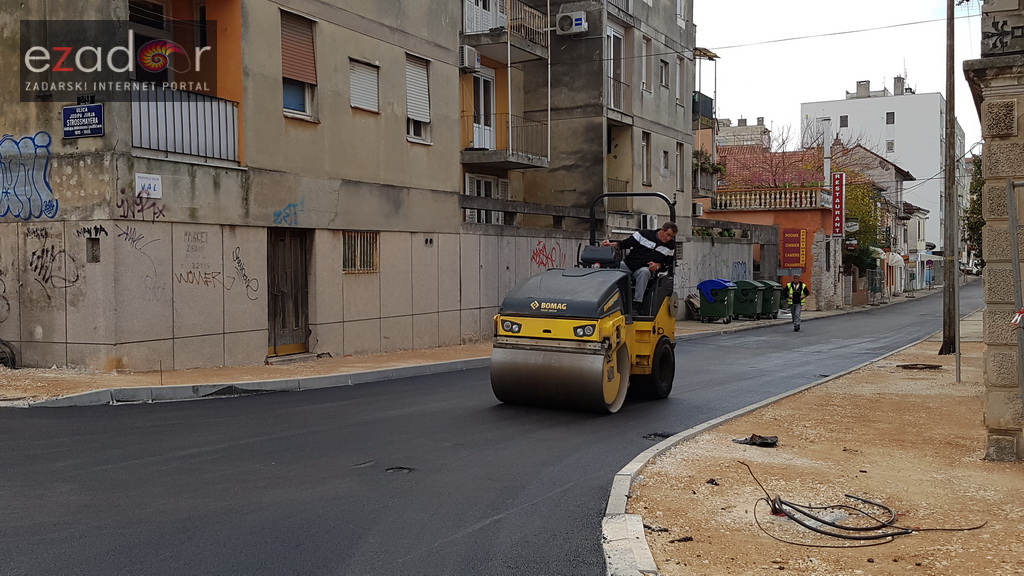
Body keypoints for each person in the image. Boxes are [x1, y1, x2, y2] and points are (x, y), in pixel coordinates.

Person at [601, 222, 677, 307]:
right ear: (662, 230)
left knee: (644, 272)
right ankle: (607, 300)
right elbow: (627, 243)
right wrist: (611, 245)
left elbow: (667, 263)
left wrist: (658, 265)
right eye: (668, 235)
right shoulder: (644, 234)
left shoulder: (671, 246)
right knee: (612, 269)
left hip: (644, 269)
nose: (668, 238)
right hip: (628, 264)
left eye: (671, 237)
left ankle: (637, 303)